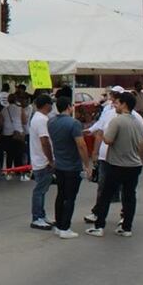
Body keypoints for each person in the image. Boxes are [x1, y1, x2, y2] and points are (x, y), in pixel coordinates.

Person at [87, 92, 143, 237]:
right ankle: (126, 227)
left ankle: (99, 226)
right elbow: (140, 144)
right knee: (129, 196)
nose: (114, 105)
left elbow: (108, 140)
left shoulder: (117, 121)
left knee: (105, 195)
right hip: (134, 164)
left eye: (117, 103)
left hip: (117, 164)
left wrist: (100, 136)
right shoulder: (137, 121)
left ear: (124, 104)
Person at [48, 97, 91, 239]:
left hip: (59, 164)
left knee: (60, 195)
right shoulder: (74, 123)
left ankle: (59, 224)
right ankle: (65, 227)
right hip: (72, 166)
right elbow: (81, 145)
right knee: (70, 197)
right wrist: (87, 164)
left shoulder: (51, 122)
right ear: (68, 107)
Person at [28, 95, 55, 230]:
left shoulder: (37, 118)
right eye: (51, 104)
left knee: (42, 190)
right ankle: (37, 217)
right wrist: (50, 159)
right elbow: (45, 141)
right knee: (40, 190)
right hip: (42, 160)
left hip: (39, 159)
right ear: (46, 105)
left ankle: (41, 215)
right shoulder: (41, 120)